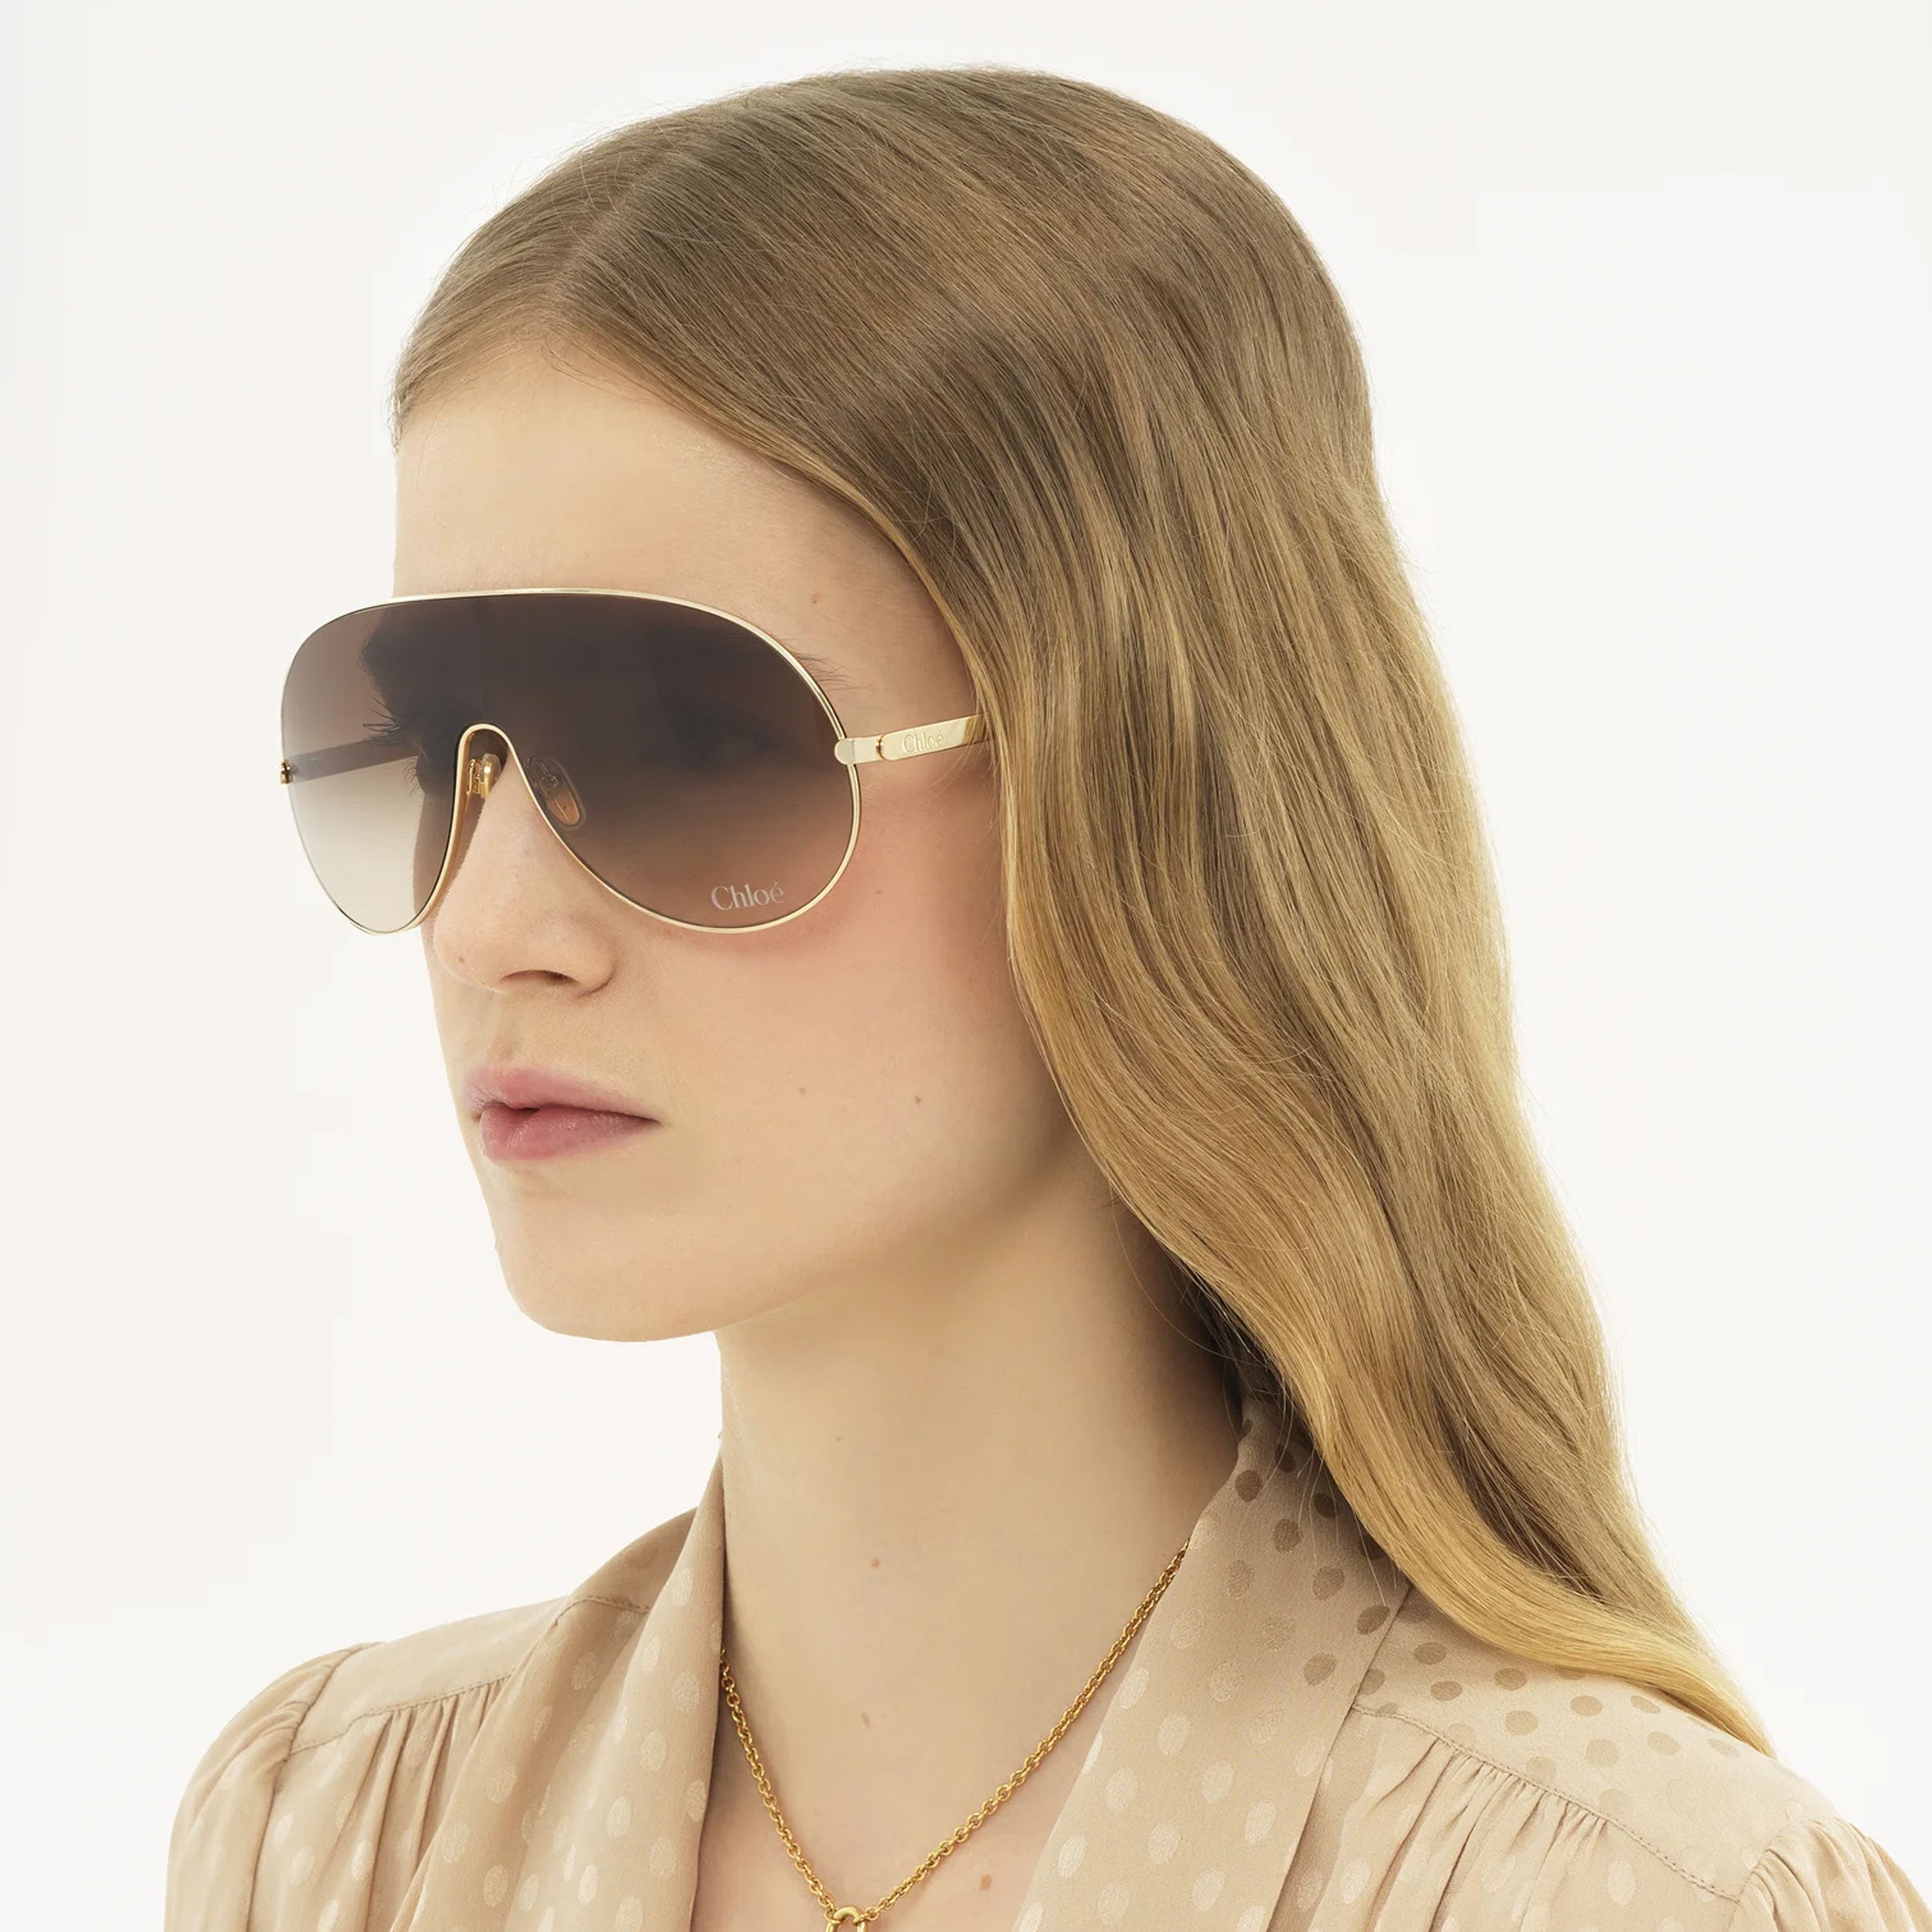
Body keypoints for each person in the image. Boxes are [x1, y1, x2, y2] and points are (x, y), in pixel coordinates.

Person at [164, 64, 1928, 1932]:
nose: (487, 922)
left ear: (1144, 788)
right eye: (427, 747)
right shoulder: (335, 1841)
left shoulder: (1609, 1897)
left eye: (685, 742)